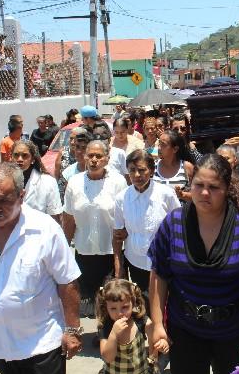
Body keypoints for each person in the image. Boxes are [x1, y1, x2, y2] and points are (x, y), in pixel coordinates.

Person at [148, 154, 239, 374]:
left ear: (227, 188)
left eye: (214, 187)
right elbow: (159, 276)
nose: (205, 193)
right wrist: (158, 324)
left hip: (232, 331)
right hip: (184, 328)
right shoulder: (173, 222)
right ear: (191, 183)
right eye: (199, 185)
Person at [0, 162, 82, 374]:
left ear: (21, 196)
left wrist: (72, 329)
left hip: (42, 345)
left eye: (4, 200)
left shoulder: (45, 229)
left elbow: (67, 281)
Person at [63, 141, 128, 316]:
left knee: (111, 304)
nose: (93, 160)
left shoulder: (118, 182)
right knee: (87, 307)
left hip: (110, 253)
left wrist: (119, 260)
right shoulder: (74, 183)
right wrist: (63, 253)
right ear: (84, 157)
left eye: (98, 156)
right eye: (90, 155)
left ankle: (108, 339)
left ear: (107, 159)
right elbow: (69, 220)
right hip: (83, 254)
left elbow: (123, 222)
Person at [113, 150, 180, 294]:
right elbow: (117, 234)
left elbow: (179, 227)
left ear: (151, 170)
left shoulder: (166, 194)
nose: (137, 175)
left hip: (162, 262)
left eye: (142, 170)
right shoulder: (121, 198)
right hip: (135, 262)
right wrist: (119, 267)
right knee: (142, 306)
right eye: (132, 170)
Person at [96, 279, 169, 374]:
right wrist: (113, 334)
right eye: (113, 308)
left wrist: (160, 346)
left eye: (125, 307)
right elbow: (107, 357)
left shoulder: (141, 321)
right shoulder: (106, 327)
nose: (119, 313)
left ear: (133, 303)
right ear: (106, 307)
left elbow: (155, 340)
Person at [11, 140, 62, 222]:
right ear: (11, 157)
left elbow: (55, 216)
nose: (19, 159)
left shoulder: (48, 182)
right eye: (16, 155)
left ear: (33, 159)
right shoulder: (4, 182)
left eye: (25, 156)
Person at [154, 130, 194, 202]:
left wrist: (182, 195)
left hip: (181, 212)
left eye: (163, 145)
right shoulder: (152, 167)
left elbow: (197, 196)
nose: (159, 148)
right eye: (159, 144)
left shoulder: (187, 167)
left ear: (175, 149)